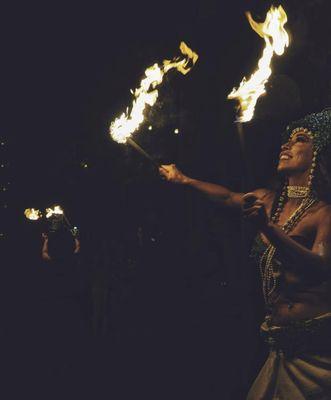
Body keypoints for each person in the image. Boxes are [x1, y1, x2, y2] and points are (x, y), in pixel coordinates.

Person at [159, 109, 331, 399]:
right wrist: (185, 180)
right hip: (278, 345)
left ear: (318, 156)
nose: (285, 146)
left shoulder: (323, 213)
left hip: (316, 352)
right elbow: (226, 196)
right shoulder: (267, 200)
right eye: (286, 140)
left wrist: (268, 228)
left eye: (299, 140)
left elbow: (321, 267)